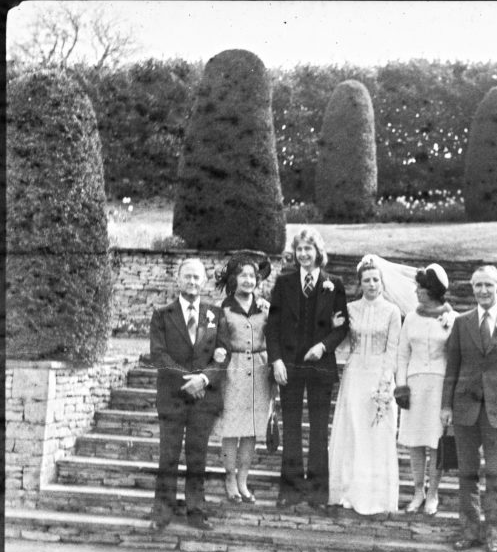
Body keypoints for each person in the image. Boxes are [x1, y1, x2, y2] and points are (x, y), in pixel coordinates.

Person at [440, 264, 497, 552]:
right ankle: (469, 529)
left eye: (488, 285)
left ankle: (495, 532)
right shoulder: (462, 322)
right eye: (477, 285)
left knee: (496, 474)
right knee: (466, 473)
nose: (482, 291)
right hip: (465, 409)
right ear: (472, 288)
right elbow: (452, 368)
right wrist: (445, 405)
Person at [265, 227, 349, 508]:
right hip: (288, 365)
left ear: (318, 252)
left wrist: (323, 346)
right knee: (290, 427)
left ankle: (316, 491)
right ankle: (289, 490)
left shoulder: (333, 284)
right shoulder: (284, 283)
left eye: (308, 249)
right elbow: (272, 326)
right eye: (299, 249)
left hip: (320, 366)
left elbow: (342, 327)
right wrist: (275, 359)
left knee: (317, 429)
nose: (303, 254)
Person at [149, 258, 230, 531]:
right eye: (187, 277)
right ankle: (162, 511)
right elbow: (158, 354)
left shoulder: (216, 315)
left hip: (203, 399)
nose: (192, 282)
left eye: (197, 277)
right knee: (168, 456)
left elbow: (223, 355)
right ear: (178, 279)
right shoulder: (162, 314)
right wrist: (188, 380)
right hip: (173, 395)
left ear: (204, 282)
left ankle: (196, 510)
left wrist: (203, 379)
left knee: (198, 456)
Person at [328, 255, 402, 515]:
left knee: (377, 434)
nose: (372, 284)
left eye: (375, 279)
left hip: (380, 374)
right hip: (355, 372)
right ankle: (349, 491)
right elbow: (341, 342)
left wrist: (386, 381)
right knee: (355, 431)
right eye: (366, 280)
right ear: (360, 283)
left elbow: (393, 349)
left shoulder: (392, 312)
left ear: (382, 281)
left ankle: (377, 496)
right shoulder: (350, 309)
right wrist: (332, 326)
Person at [395, 264, 457, 516]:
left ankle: (433, 492)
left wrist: (452, 318)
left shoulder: (452, 319)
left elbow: (456, 357)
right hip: (414, 386)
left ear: (433, 290)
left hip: (440, 386)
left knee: (436, 442)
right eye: (417, 286)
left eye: (422, 287)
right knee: (415, 442)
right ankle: (418, 490)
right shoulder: (410, 318)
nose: (417, 291)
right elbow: (402, 354)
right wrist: (401, 386)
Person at [212, 253, 274, 504]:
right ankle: (229, 478)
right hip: (233, 371)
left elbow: (276, 338)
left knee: (251, 430)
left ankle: (243, 481)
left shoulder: (265, 307)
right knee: (231, 429)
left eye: (252, 276)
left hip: (260, 371)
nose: (248, 280)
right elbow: (215, 341)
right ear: (233, 279)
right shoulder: (223, 309)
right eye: (243, 276)